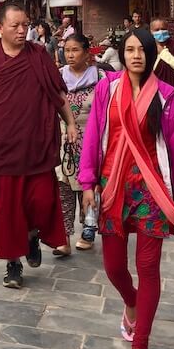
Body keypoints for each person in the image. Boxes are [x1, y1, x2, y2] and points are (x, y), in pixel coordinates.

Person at [79, 29, 174, 349]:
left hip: (151, 192)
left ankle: (140, 345)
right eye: (129, 50)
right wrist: (87, 181)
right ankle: (131, 302)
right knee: (115, 267)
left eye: (142, 50)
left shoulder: (166, 95)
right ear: (123, 54)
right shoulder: (107, 89)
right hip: (113, 187)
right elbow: (93, 134)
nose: (135, 56)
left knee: (148, 268)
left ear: (151, 54)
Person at [0, 4, 76, 289]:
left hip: (37, 144)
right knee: (6, 209)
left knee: (42, 200)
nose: (23, 30)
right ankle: (13, 263)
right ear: (0, 28)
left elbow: (57, 93)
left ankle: (33, 234)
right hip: (2, 145)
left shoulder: (38, 55)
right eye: (16, 25)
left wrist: (70, 123)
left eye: (26, 25)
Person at [56, 32, 105, 255]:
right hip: (64, 141)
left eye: (75, 50)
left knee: (90, 186)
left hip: (91, 141)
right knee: (63, 188)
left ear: (87, 52)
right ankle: (64, 237)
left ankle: (89, 228)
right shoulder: (57, 77)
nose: (70, 55)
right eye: (67, 50)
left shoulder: (101, 78)